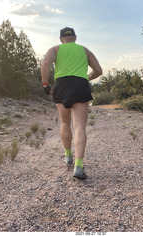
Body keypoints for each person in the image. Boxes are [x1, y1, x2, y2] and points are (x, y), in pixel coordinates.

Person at [41, 27, 103, 179]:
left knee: (64, 123)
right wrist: (86, 77)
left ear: (61, 39)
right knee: (80, 126)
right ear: (75, 37)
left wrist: (45, 84)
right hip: (80, 85)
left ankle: (68, 155)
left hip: (61, 85)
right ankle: (79, 166)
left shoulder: (55, 49)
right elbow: (99, 71)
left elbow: (45, 64)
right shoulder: (85, 50)